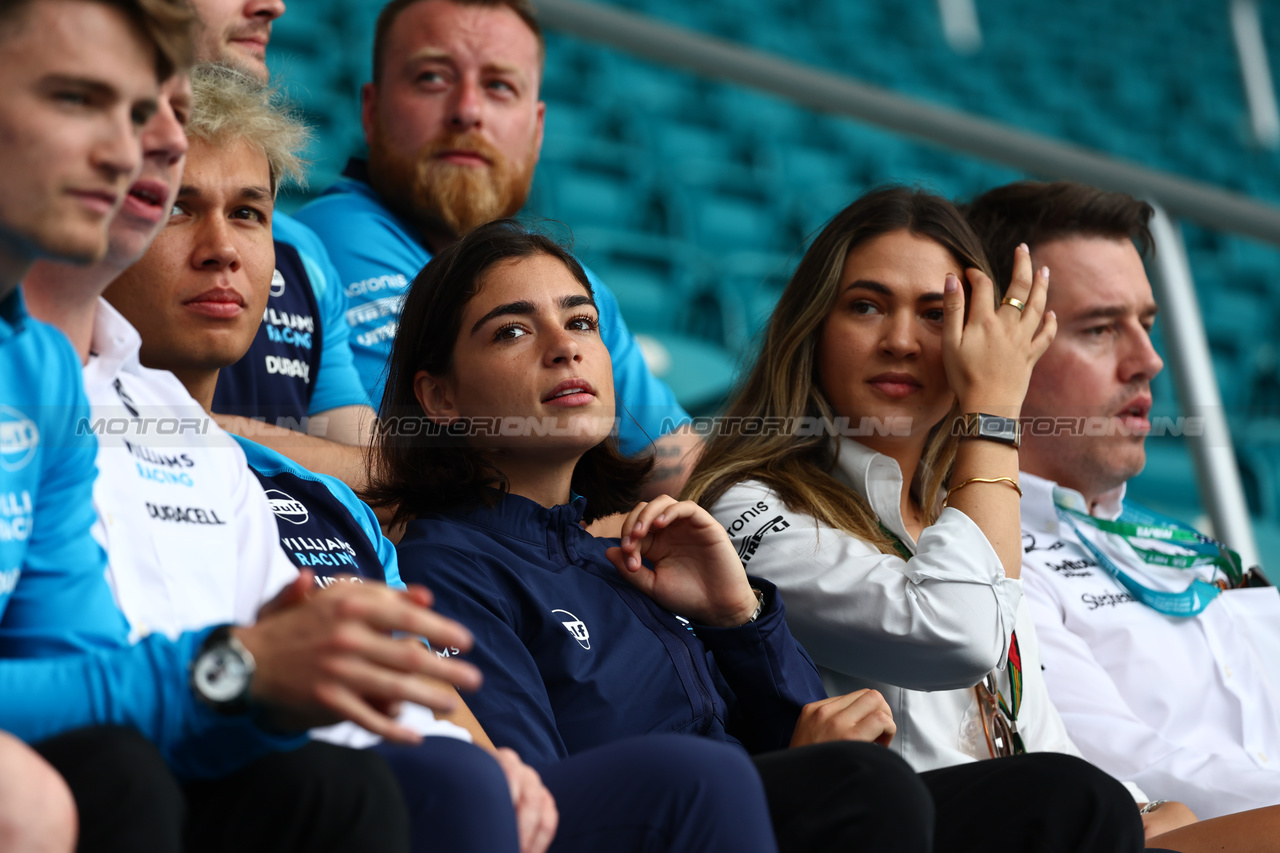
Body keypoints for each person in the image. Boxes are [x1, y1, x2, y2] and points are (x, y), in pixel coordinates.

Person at [366, 216, 1150, 853]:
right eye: (511, 331)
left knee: (1071, 799)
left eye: (581, 320)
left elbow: (807, 732)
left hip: (761, 809)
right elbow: (542, 797)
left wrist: (742, 619)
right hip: (676, 827)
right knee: (864, 788)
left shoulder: (632, 553)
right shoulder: (449, 564)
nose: (565, 345)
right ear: (438, 396)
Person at [0, 4, 481, 844]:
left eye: (147, 112)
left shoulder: (43, 374)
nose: (127, 150)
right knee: (111, 782)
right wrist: (237, 668)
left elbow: (75, 675)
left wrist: (263, 686)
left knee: (334, 790)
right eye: (77, 100)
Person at [964, 180, 1280, 823]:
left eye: (1148, 323)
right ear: (996, 348)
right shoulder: (984, 572)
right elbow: (1138, 772)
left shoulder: (1184, 546)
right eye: (1102, 329)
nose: (1150, 361)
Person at [294, 0, 702, 497]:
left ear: (536, 129)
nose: (467, 110)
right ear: (372, 111)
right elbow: (415, 489)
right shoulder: (317, 248)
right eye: (432, 79)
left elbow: (677, 462)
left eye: (499, 87)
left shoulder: (573, 284)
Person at [188, 0, 377, 491]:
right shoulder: (73, 220)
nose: (273, 5)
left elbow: (379, 477)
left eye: (247, 214)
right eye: (176, 209)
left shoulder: (301, 254)